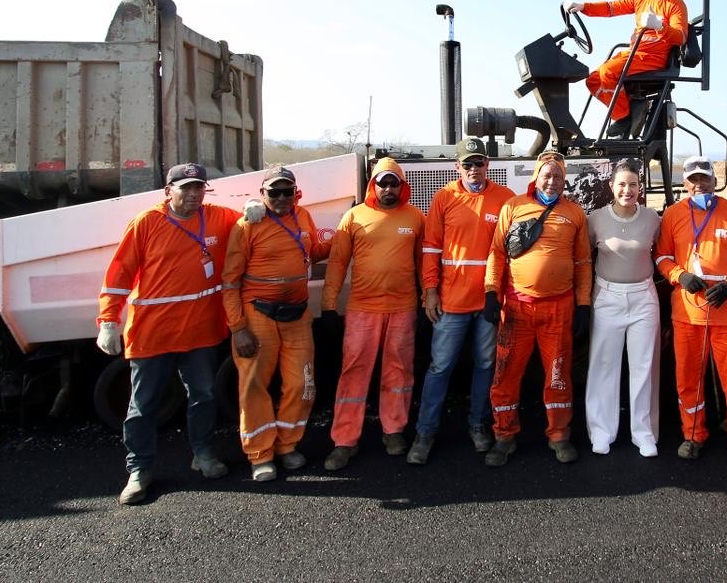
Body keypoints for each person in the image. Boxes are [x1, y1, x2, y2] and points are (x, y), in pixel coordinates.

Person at [96, 163, 242, 505]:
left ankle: (202, 453)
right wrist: (108, 321)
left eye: (199, 188)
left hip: (200, 332)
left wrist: (255, 211)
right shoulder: (147, 223)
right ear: (168, 191)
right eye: (185, 188)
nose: (193, 194)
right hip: (153, 334)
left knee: (203, 396)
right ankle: (139, 470)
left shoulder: (218, 217)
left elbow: (253, 222)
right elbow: (119, 274)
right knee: (143, 406)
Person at [407, 137, 515, 465]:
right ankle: (425, 433)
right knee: (440, 367)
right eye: (467, 163)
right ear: (457, 167)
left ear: (488, 165)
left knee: (485, 365)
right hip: (451, 303)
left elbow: (511, 252)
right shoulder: (443, 198)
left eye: (478, 162)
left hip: (487, 302)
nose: (473, 169)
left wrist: (501, 297)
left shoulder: (505, 199)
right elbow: (431, 248)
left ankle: (479, 424)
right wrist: (429, 291)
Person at [221, 166, 332, 482]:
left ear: (296, 193)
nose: (281, 198)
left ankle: (287, 446)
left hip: (297, 314)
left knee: (303, 384)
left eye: (287, 191)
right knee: (255, 386)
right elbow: (230, 282)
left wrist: (346, 237)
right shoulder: (247, 226)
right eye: (274, 192)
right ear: (262, 194)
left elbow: (313, 252)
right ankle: (260, 455)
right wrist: (238, 328)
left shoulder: (304, 216)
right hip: (258, 314)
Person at [482, 150, 592, 466]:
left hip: (558, 310)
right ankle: (504, 436)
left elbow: (583, 263)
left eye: (558, 175)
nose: (552, 180)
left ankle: (559, 436)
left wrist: (583, 305)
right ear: (536, 176)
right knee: (505, 375)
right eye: (547, 175)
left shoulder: (574, 213)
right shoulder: (514, 207)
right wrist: (492, 292)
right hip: (516, 308)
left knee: (558, 377)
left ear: (564, 179)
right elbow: (497, 254)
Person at [655, 156, 727, 467]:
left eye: (705, 178)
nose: (699, 183)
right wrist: (680, 276)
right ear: (685, 182)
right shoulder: (673, 215)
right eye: (693, 179)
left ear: (715, 181)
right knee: (688, 378)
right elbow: (662, 256)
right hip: (688, 314)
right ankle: (693, 435)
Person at [321, 157, 424, 470]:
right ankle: (344, 440)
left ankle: (393, 431)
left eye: (394, 182)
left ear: (401, 185)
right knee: (354, 371)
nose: (388, 188)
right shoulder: (354, 216)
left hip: (403, 307)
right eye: (383, 182)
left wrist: (426, 301)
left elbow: (423, 264)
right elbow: (337, 263)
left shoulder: (416, 217)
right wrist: (328, 306)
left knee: (399, 371)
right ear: (373, 185)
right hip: (363, 308)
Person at [585, 159, 663, 457]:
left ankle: (643, 433)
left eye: (632, 184)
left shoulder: (653, 219)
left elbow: (663, 251)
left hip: (644, 296)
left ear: (640, 188)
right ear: (611, 187)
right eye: (621, 184)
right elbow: (583, 257)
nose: (627, 190)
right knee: (604, 365)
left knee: (644, 367)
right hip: (607, 297)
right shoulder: (595, 220)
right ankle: (602, 432)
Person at [563, 0, 689, 138]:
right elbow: (612, 7)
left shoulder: (675, 4)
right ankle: (629, 112)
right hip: (636, 53)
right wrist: (584, 7)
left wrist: (660, 26)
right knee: (593, 80)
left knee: (608, 72)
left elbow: (681, 37)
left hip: (654, 58)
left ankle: (624, 117)